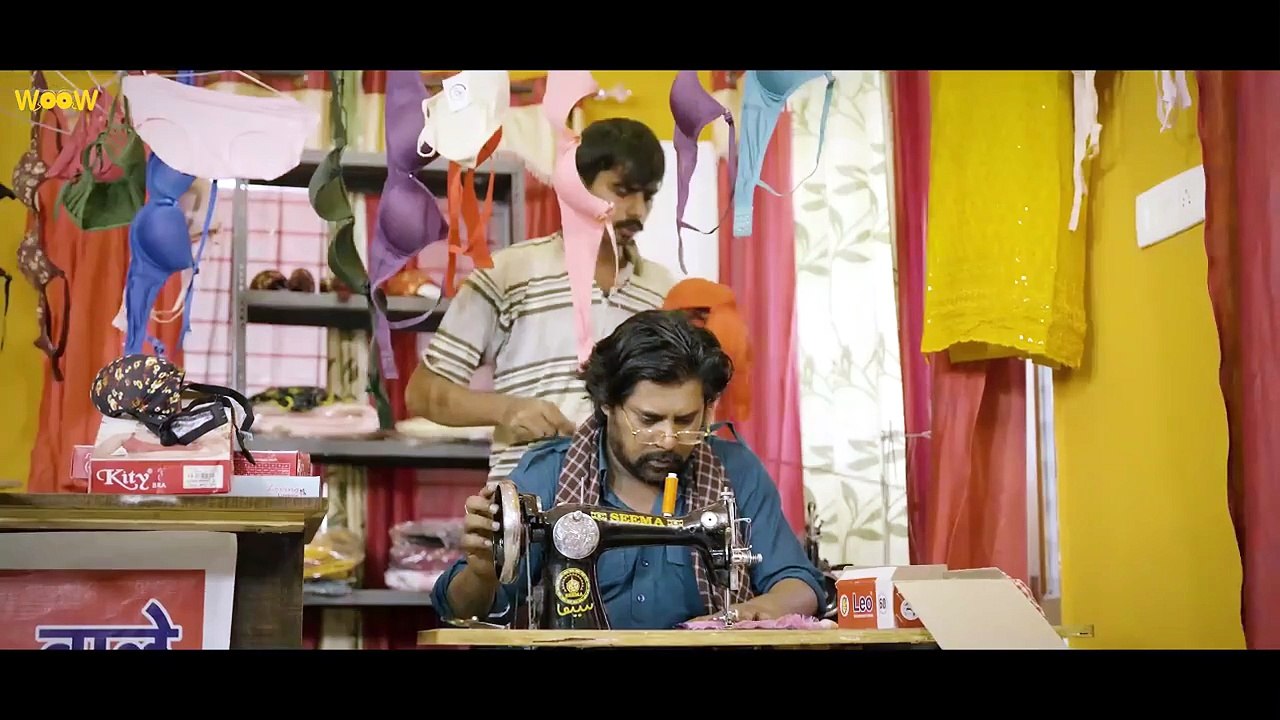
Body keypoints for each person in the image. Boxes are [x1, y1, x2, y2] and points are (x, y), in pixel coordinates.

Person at [432, 310, 825, 629]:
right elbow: (461, 610)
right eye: (648, 420)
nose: (668, 439)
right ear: (607, 403)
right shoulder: (549, 474)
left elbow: (800, 583)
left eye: (685, 420)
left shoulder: (735, 471)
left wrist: (752, 613)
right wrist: (482, 573)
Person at [406, 117, 678, 480]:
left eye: (648, 196)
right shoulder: (509, 273)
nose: (638, 211)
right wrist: (507, 410)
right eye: (623, 190)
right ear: (576, 186)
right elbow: (422, 392)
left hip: (629, 507)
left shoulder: (664, 292)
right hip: (527, 500)